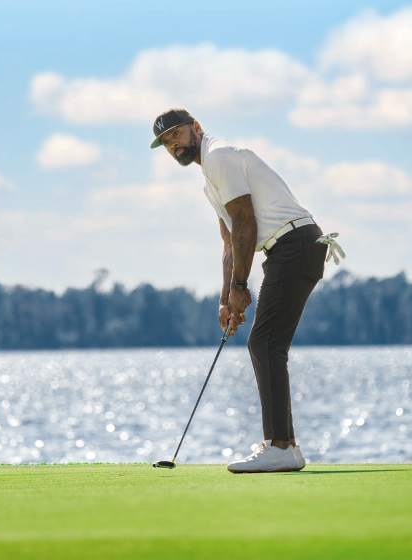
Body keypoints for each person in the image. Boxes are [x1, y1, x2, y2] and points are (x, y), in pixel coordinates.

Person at [150, 108, 343, 473]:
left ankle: (280, 446)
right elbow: (229, 240)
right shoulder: (210, 176)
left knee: (265, 343)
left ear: (196, 128)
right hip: (288, 248)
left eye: (177, 134)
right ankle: (286, 446)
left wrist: (241, 286)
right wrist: (227, 298)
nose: (174, 144)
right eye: (166, 142)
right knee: (267, 343)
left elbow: (244, 221)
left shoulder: (220, 156)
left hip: (295, 244)